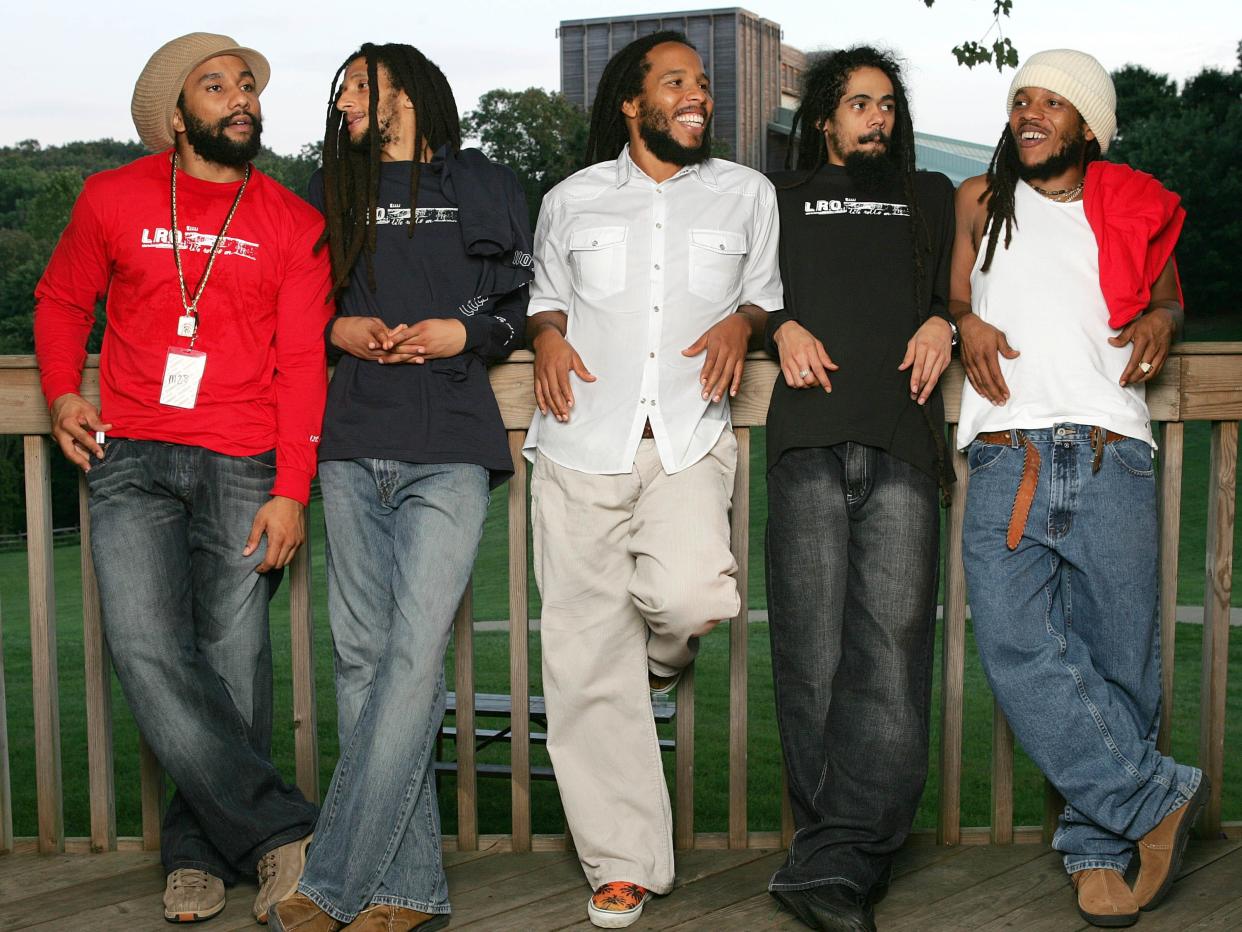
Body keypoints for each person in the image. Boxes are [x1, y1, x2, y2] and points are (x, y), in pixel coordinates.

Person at [34, 32, 329, 924]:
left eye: (246, 85)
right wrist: (57, 394)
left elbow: (303, 364)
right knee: (147, 649)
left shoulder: (293, 221)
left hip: (245, 461)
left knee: (236, 662)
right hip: (129, 456)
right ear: (175, 115)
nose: (240, 98)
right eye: (216, 87)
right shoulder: (109, 198)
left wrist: (292, 486)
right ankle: (280, 833)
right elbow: (58, 301)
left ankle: (200, 854)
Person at [266, 44, 532, 932]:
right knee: (364, 662)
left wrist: (466, 336)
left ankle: (331, 879)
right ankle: (408, 889)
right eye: (339, 88)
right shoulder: (326, 190)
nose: (342, 99)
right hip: (350, 444)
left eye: (357, 86)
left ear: (405, 94)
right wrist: (338, 324)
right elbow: (296, 304)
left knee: (414, 660)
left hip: (450, 446)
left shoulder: (485, 180)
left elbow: (519, 299)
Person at [523, 30, 782, 928]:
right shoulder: (570, 198)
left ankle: (656, 665)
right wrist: (549, 334)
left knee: (692, 598)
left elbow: (764, 290)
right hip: (578, 443)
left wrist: (743, 324)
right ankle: (622, 861)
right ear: (633, 105)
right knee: (582, 657)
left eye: (702, 82)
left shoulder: (748, 193)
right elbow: (545, 295)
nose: (697, 94)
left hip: (687, 437)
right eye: (675, 82)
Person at [950, 48, 1207, 928]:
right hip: (1005, 451)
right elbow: (956, 294)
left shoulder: (1130, 205)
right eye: (1022, 98)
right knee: (1016, 646)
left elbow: (1169, 298)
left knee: (1118, 657)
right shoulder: (980, 201)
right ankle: (1156, 795)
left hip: (1111, 448)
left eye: (1052, 102)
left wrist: (1166, 319)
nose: (1030, 112)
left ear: (1088, 126)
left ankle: (1100, 849)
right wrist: (965, 319)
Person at [762, 47, 956, 932]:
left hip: (904, 441)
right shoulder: (778, 198)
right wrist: (780, 326)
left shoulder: (931, 197)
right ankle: (836, 859)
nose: (875, 118)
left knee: (891, 654)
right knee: (810, 656)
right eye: (858, 104)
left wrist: (942, 320)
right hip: (805, 442)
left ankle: (834, 863)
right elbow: (744, 292)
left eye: (885, 105)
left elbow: (960, 291)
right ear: (825, 120)